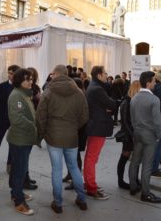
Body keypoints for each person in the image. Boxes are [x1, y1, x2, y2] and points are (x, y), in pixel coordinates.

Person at [36, 65, 88, 214]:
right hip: (72, 136)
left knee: (57, 170)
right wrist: (73, 126)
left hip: (53, 137)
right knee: (74, 168)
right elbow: (84, 116)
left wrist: (43, 132)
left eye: (53, 74)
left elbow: (40, 116)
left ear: (57, 74)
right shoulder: (78, 92)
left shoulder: (49, 91)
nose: (51, 76)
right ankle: (82, 200)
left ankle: (58, 203)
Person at [7, 68, 39, 216]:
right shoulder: (16, 96)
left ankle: (16, 193)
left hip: (25, 138)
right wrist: (32, 126)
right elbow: (17, 118)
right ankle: (19, 202)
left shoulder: (24, 94)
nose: (30, 82)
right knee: (20, 170)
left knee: (18, 168)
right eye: (27, 79)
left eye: (31, 79)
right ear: (20, 81)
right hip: (20, 139)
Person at [129, 71, 161, 203]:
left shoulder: (134, 98)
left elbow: (132, 119)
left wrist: (136, 130)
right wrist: (158, 135)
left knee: (135, 161)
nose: (155, 83)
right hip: (149, 135)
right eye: (154, 81)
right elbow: (157, 121)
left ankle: (133, 187)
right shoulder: (154, 99)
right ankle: (146, 193)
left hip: (137, 133)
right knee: (147, 165)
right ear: (148, 83)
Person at [84, 66, 117, 200]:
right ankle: (91, 187)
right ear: (98, 75)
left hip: (96, 126)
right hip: (97, 127)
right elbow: (113, 104)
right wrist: (107, 108)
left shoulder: (94, 87)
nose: (106, 75)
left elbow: (109, 105)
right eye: (104, 73)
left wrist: (107, 108)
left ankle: (89, 183)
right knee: (91, 158)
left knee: (91, 158)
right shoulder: (97, 89)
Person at [0, 65, 20, 179]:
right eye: (9, 73)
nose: (9, 75)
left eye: (12, 73)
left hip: (14, 121)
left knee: (13, 144)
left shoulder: (19, 87)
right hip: (1, 120)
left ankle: (9, 165)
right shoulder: (2, 86)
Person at [116, 80, 141, 189]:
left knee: (136, 159)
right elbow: (125, 122)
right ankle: (121, 181)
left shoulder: (134, 101)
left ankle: (135, 179)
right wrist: (133, 136)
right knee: (124, 158)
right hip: (129, 136)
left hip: (134, 134)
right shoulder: (126, 102)